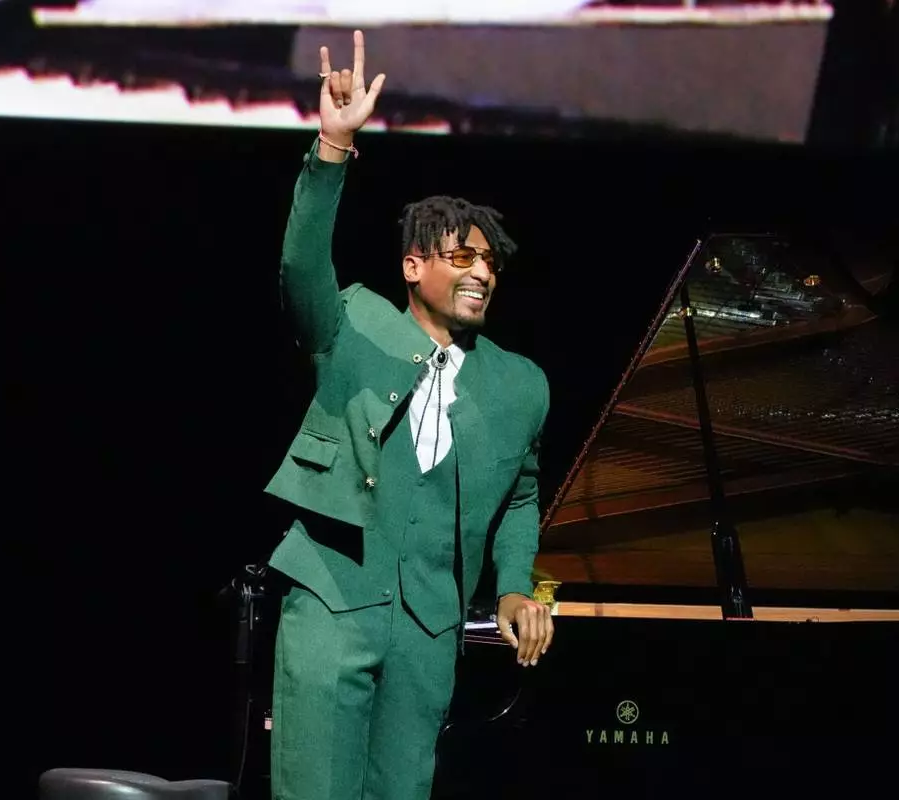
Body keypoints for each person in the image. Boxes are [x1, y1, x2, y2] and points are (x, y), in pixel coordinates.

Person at [262, 29, 555, 800]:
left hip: (430, 629)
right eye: (462, 258)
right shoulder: (351, 324)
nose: (482, 273)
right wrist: (332, 147)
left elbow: (522, 494)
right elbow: (300, 265)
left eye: (491, 263)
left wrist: (517, 585)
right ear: (413, 267)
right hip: (336, 598)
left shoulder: (520, 385)